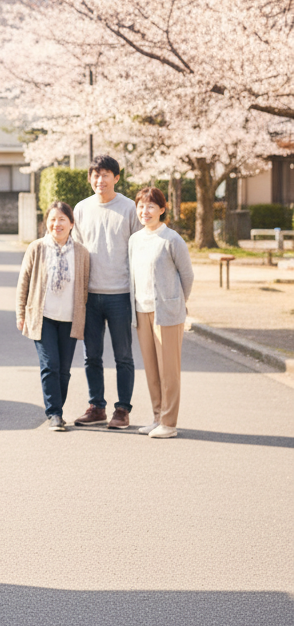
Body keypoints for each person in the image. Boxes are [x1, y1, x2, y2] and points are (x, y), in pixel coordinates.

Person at [71, 154, 143, 429]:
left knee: (123, 355)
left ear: (116, 177)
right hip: (89, 295)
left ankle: (122, 410)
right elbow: (76, 250)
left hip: (121, 293)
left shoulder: (128, 208)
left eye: (105, 175)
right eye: (95, 175)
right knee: (91, 355)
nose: (100, 180)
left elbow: (139, 247)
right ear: (90, 178)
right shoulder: (81, 209)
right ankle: (96, 406)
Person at [16, 202, 91, 430]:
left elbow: (85, 286)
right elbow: (24, 282)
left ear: (71, 223)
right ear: (46, 222)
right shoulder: (37, 248)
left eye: (61, 220)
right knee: (50, 365)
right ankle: (54, 413)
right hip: (43, 317)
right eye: (52, 219)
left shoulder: (81, 253)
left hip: (69, 318)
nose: (56, 224)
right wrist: (20, 313)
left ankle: (57, 408)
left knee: (64, 370)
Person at [129, 186, 194, 439]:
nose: (145, 211)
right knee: (152, 368)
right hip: (141, 310)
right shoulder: (134, 240)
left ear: (162, 209)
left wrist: (176, 302)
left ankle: (169, 422)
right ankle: (157, 416)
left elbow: (187, 275)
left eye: (150, 206)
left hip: (166, 313)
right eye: (141, 206)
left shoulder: (172, 239)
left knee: (169, 369)